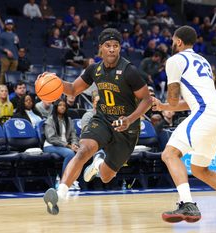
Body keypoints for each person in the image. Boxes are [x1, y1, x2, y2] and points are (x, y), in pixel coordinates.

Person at [151, 26, 216, 223]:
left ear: (179, 42)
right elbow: (191, 101)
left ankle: (187, 204)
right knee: (200, 169)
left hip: (205, 113)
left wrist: (165, 102)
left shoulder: (175, 60)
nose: (172, 44)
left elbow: (174, 101)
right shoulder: (203, 61)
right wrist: (163, 106)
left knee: (169, 154)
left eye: (173, 41)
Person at [42, 28, 152, 215]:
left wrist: (130, 119)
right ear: (101, 48)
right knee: (84, 150)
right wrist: (53, 81)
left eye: (115, 46)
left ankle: (98, 164)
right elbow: (73, 90)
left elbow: (147, 100)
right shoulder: (94, 69)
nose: (112, 49)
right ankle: (60, 193)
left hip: (126, 127)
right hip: (102, 119)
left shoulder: (129, 71)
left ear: (119, 49)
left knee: (108, 177)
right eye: (108, 46)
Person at [0, 19, 19, 84]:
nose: (10, 26)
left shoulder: (15, 35)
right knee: (3, 72)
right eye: (8, 24)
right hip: (4, 57)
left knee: (13, 73)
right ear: (5, 25)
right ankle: (1, 86)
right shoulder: (2, 35)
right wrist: (6, 51)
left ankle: (11, 87)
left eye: (11, 24)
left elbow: (17, 46)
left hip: (14, 56)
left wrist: (18, 42)